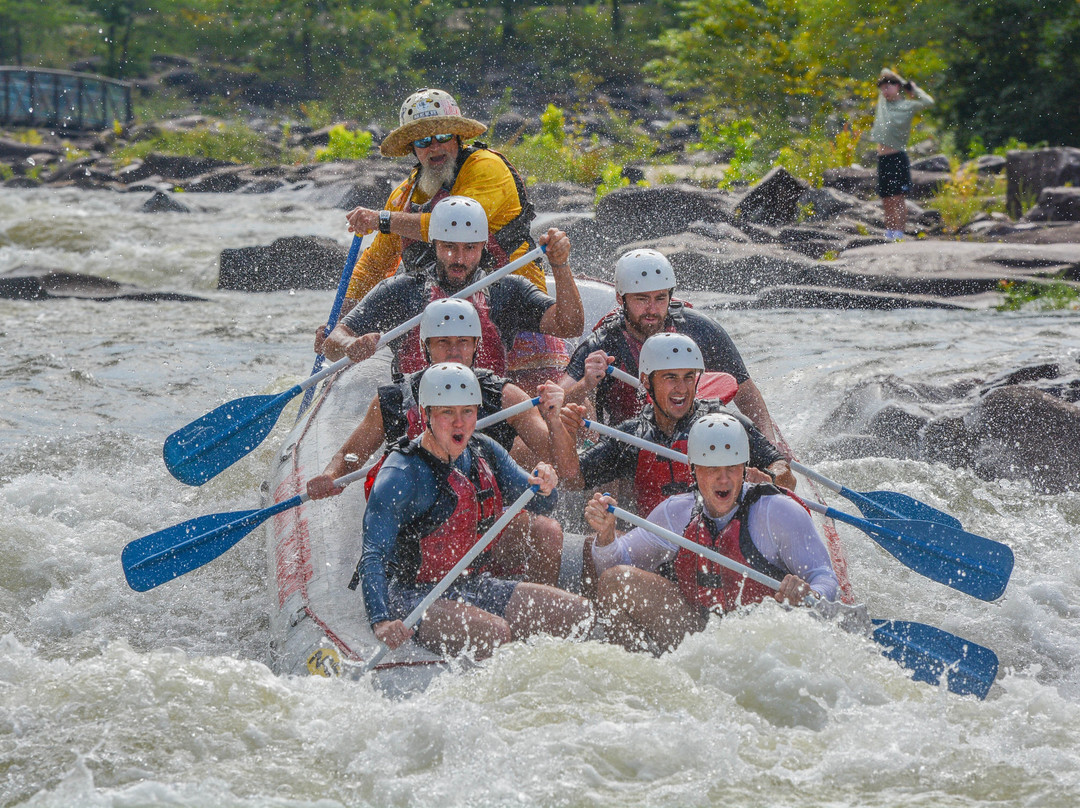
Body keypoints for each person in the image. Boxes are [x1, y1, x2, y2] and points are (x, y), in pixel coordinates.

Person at [308, 298, 567, 585]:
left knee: (547, 531)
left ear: (476, 346)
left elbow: (557, 457)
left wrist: (556, 419)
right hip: (418, 526)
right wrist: (331, 476)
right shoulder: (394, 399)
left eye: (463, 342)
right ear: (425, 347)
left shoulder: (505, 397)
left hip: (483, 518)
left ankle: (529, 613)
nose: (454, 351)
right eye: (443, 341)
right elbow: (350, 455)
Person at [353, 363, 593, 660]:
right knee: (495, 633)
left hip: (472, 584)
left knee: (577, 611)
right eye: (447, 413)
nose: (459, 424)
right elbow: (373, 553)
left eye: (467, 411)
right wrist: (381, 621)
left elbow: (543, 503)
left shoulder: (485, 451)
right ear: (427, 414)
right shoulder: (400, 473)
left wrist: (545, 482)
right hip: (411, 596)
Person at [583, 412, 839, 654]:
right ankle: (639, 681)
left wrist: (810, 594)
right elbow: (614, 564)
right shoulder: (677, 512)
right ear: (693, 469)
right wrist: (606, 536)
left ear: (744, 467)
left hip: (765, 642)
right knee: (615, 582)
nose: (723, 479)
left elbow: (824, 577)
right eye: (712, 468)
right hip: (698, 634)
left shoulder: (778, 512)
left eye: (731, 468)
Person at [320, 196, 583, 381]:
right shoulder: (402, 290)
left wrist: (560, 265)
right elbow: (333, 341)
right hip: (418, 416)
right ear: (433, 244)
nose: (459, 259)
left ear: (483, 247)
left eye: (469, 248)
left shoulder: (507, 289)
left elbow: (570, 327)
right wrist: (350, 345)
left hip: (486, 408)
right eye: (449, 247)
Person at [554, 332, 795, 520]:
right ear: (647, 381)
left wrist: (771, 478)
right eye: (670, 377)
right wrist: (567, 433)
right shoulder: (632, 435)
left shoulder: (725, 425)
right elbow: (573, 478)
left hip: (719, 548)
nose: (681, 388)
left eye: (688, 377)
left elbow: (786, 473)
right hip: (659, 547)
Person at [340, 88, 544, 305]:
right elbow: (374, 265)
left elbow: (455, 227)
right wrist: (343, 320)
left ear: (457, 137)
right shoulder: (402, 196)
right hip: (440, 317)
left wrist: (383, 220)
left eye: (443, 136)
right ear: (413, 148)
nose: (435, 146)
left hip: (512, 302)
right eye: (423, 140)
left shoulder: (486, 167)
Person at [558, 248, 779, 443]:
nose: (652, 310)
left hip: (694, 439)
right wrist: (586, 384)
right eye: (642, 299)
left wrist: (770, 445)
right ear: (620, 299)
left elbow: (746, 393)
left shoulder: (700, 330)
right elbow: (556, 400)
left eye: (660, 298)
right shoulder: (603, 343)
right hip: (628, 447)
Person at [868, 68, 935, 242]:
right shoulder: (882, 102)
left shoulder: (907, 105)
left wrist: (911, 87)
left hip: (897, 157)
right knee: (886, 199)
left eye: (888, 87)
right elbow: (884, 70)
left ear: (897, 86)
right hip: (882, 158)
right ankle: (889, 233)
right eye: (882, 88)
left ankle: (899, 233)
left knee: (898, 198)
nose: (884, 91)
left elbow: (929, 102)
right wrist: (894, 80)